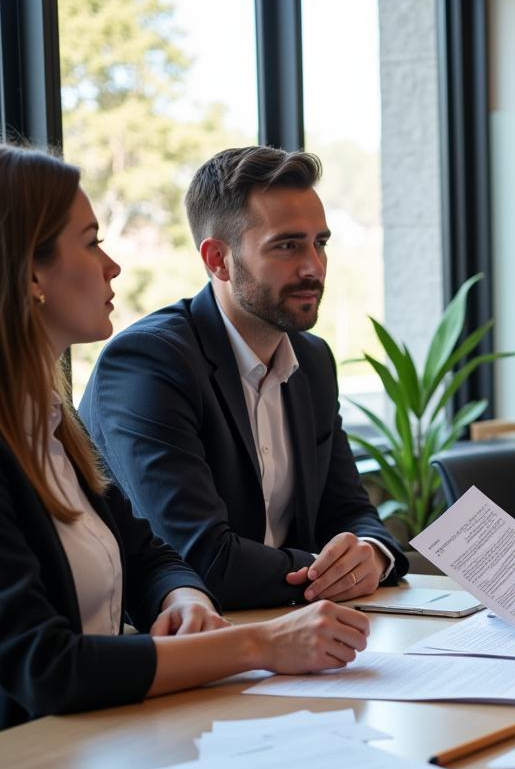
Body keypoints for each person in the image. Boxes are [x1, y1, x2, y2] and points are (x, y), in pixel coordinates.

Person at [0, 144, 374, 769]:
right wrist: (261, 641)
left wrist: (183, 598)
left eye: (321, 244)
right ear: (29, 273)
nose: (113, 267)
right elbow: (50, 665)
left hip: (89, 757)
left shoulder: (50, 428)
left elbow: (149, 554)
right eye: (91, 241)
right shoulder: (142, 363)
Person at [80, 146, 407, 610]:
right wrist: (328, 573)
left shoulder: (312, 360)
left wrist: (372, 555)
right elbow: (203, 560)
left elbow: (350, 512)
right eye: (287, 245)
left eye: (321, 243)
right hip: (190, 639)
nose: (314, 267)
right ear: (218, 260)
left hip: (294, 627)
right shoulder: (148, 362)